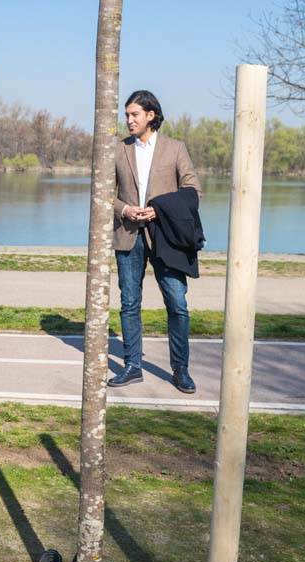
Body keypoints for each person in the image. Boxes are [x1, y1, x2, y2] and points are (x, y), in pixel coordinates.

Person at [110, 90, 202, 394]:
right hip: (128, 235)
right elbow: (102, 193)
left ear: (151, 115)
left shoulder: (175, 149)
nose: (129, 120)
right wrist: (124, 208)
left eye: (134, 114)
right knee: (129, 303)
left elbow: (193, 189)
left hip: (166, 237)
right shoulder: (117, 150)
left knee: (177, 303)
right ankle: (132, 366)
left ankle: (181, 370)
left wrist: (158, 209)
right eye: (127, 115)